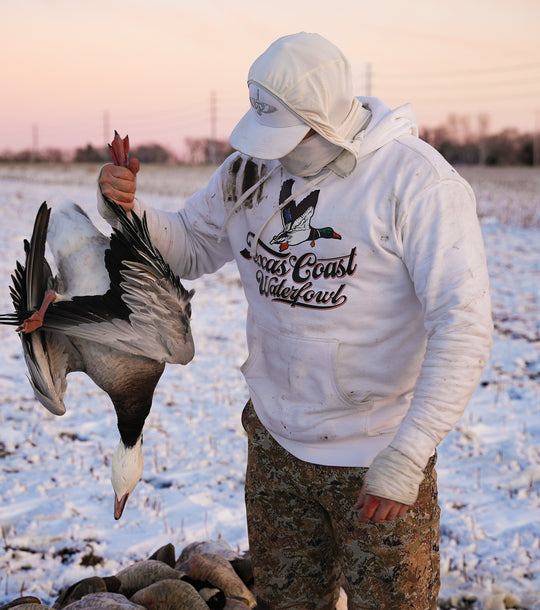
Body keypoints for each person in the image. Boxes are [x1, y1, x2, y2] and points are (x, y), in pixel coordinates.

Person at [98, 32, 492, 610]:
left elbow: (464, 324)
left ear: (326, 121)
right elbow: (189, 248)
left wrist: (408, 456)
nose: (273, 151)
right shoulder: (246, 174)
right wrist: (130, 213)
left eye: (287, 134)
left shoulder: (416, 184)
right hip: (277, 446)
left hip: (375, 456)